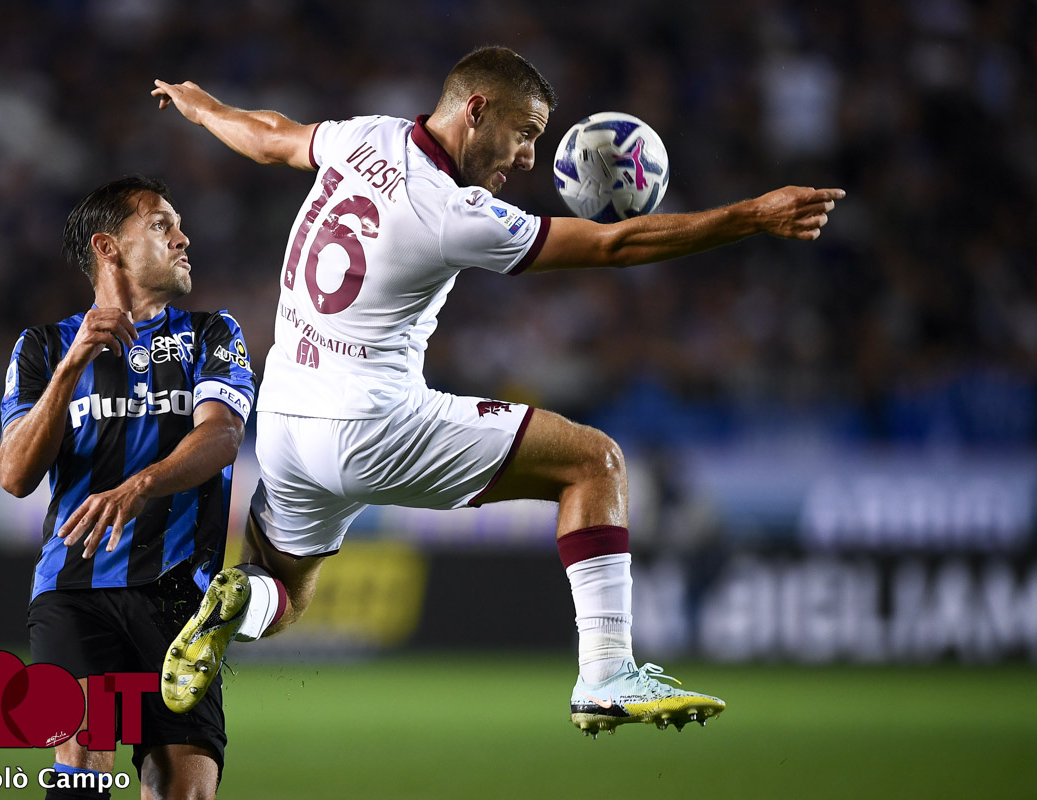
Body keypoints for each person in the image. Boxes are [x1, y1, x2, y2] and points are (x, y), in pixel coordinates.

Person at [150, 46, 844, 737]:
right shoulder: (453, 210)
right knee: (593, 462)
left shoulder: (368, 136)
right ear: (477, 112)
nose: (531, 158)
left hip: (286, 424)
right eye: (527, 133)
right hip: (371, 424)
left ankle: (237, 604)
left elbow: (272, 137)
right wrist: (751, 215)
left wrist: (203, 107)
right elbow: (613, 246)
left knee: (286, 596)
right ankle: (606, 675)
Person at [0, 175, 256, 798]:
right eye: (162, 224)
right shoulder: (43, 347)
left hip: (178, 602)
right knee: (84, 759)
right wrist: (70, 370)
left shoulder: (211, 334)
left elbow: (222, 439)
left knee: (182, 791)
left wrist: (139, 486)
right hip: (75, 589)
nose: (183, 237)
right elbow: (15, 475)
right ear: (108, 246)